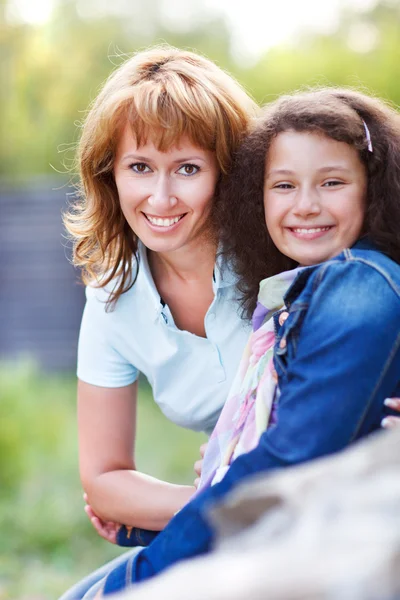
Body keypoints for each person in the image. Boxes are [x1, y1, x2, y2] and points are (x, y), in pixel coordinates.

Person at [91, 87, 400, 596]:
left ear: (374, 187)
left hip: (326, 548)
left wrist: (144, 571)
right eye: (283, 185)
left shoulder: (360, 282)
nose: (305, 205)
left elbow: (284, 465)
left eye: (333, 182)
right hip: (297, 533)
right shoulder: (289, 297)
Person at [60, 46, 258, 599]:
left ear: (229, 170)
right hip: (240, 515)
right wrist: (212, 502)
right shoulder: (112, 298)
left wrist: (153, 511)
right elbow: (104, 481)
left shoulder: (279, 253)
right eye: (140, 167)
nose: (161, 197)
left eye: (188, 169)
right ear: (110, 173)